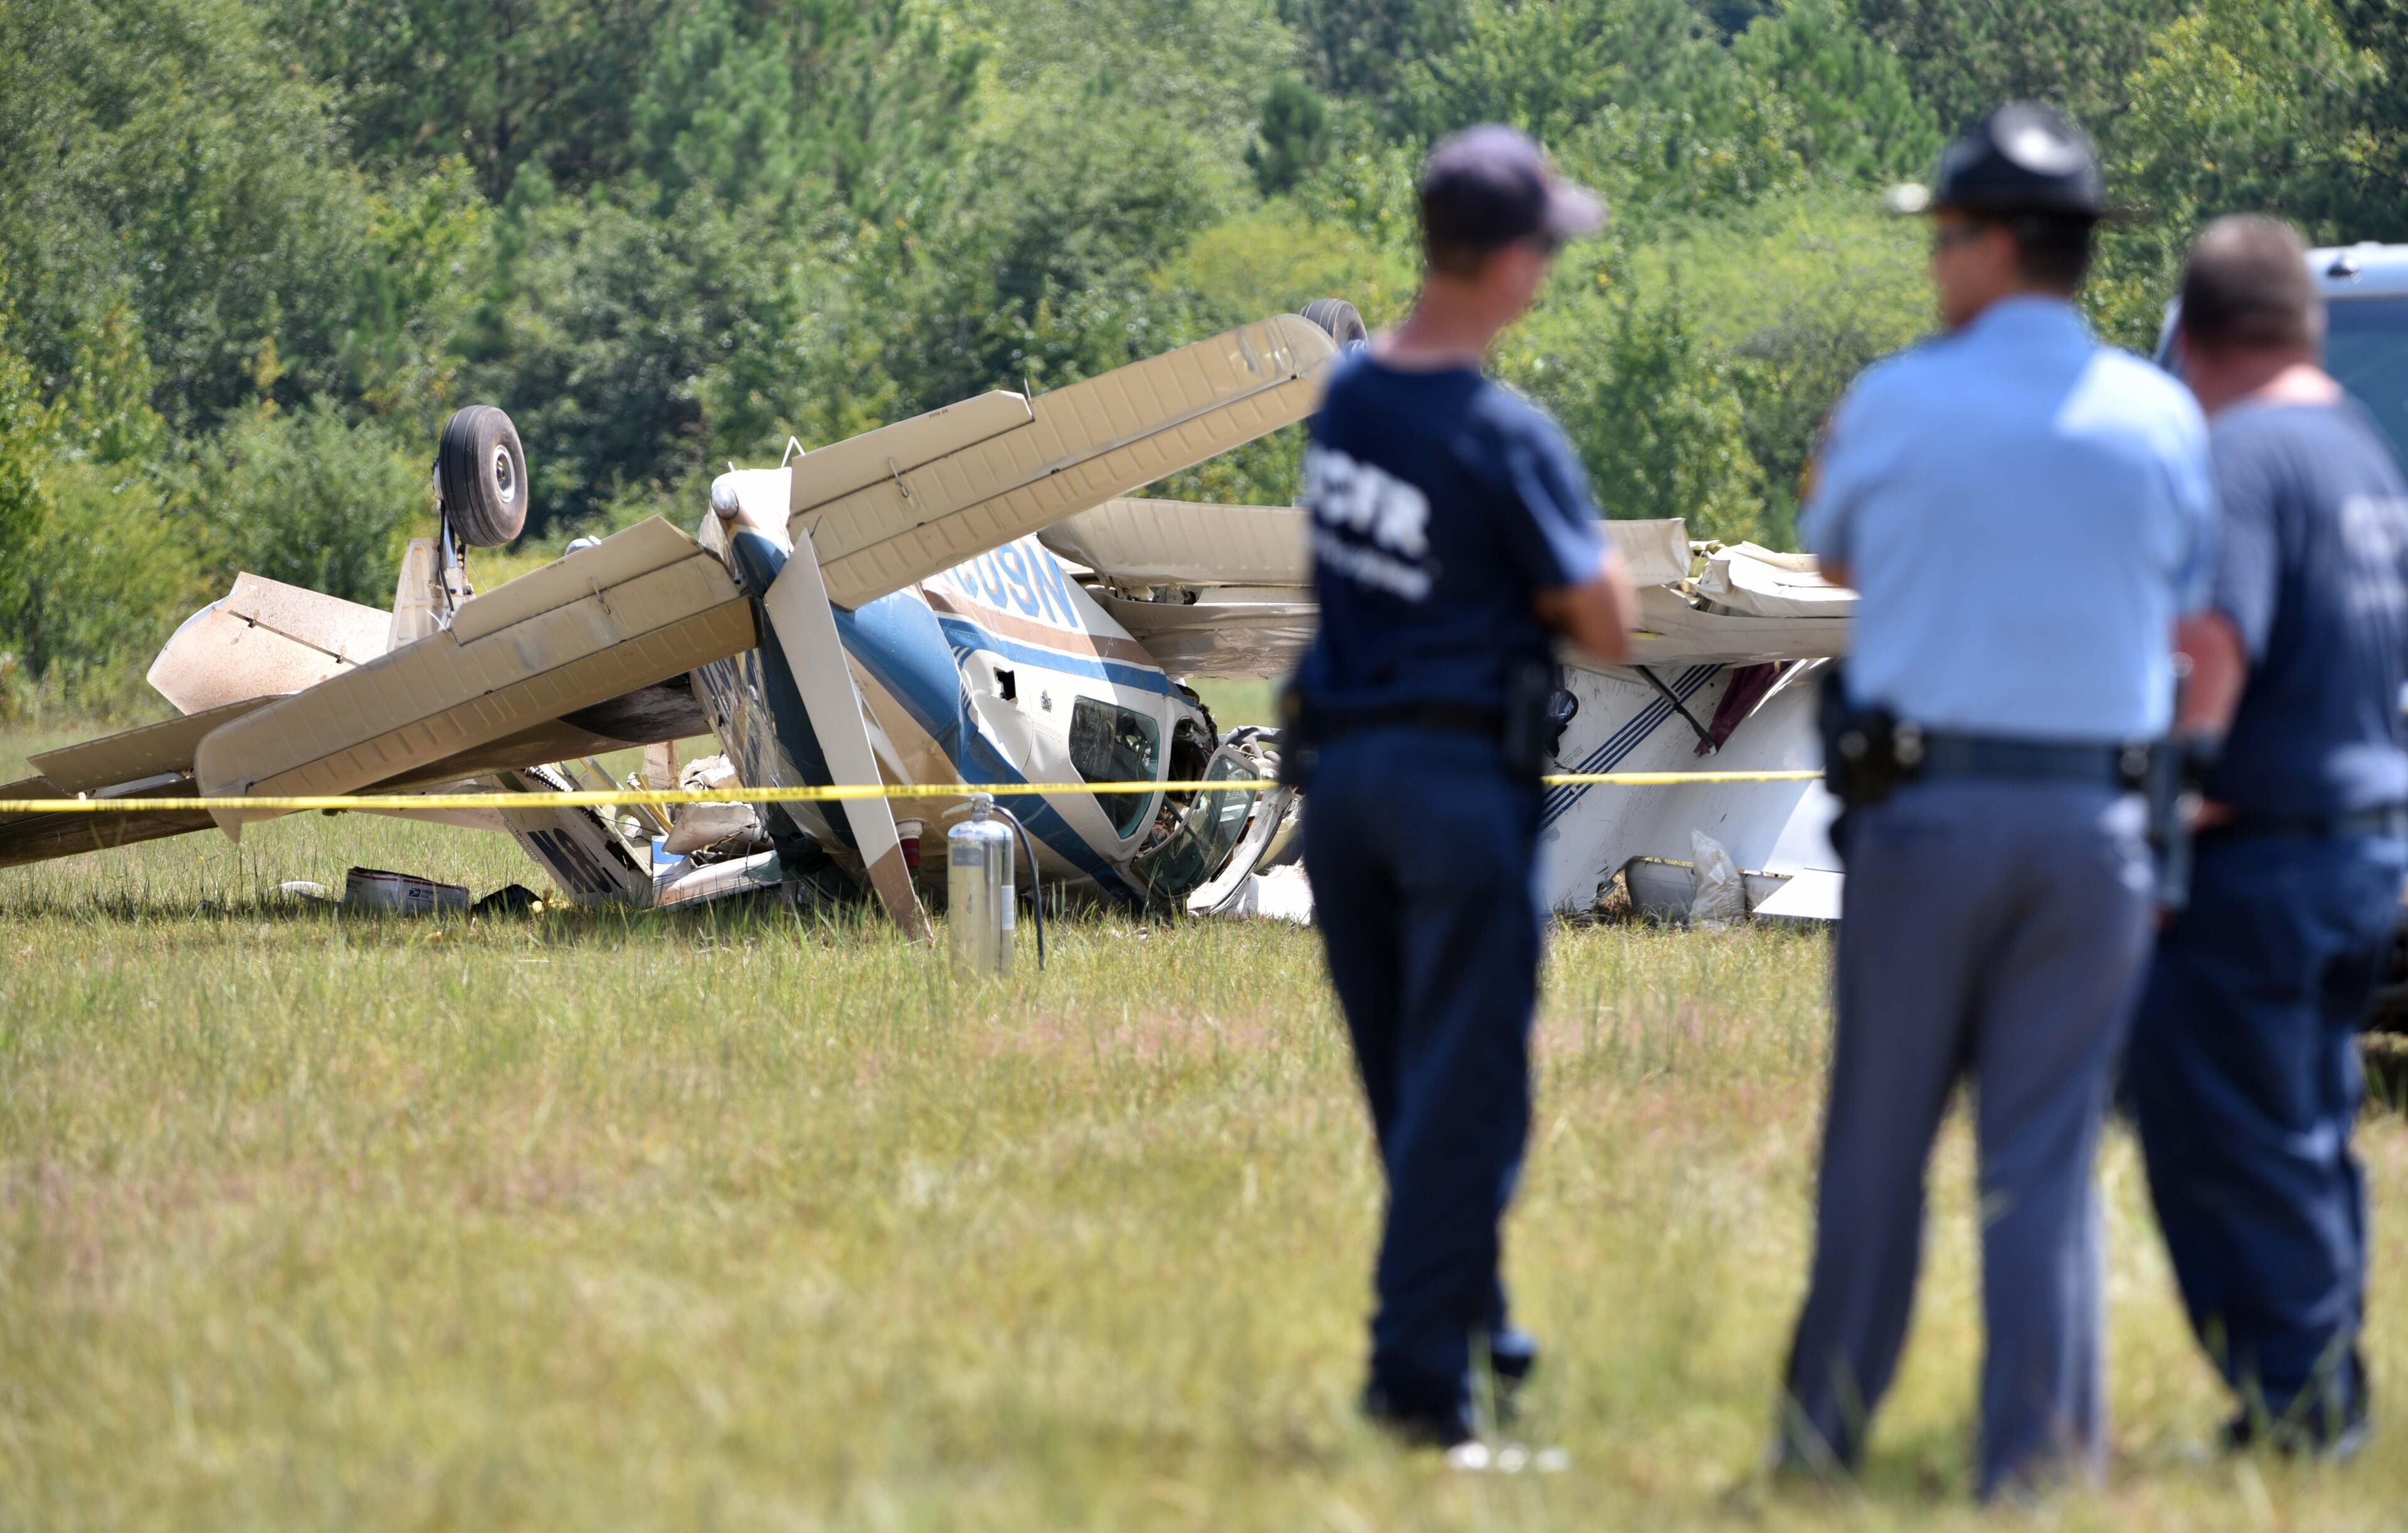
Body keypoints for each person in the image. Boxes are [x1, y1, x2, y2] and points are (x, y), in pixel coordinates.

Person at [1772, 103, 2215, 1499]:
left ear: (1991, 246)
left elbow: (1832, 554)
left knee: (1880, 1141)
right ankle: (2031, 1464)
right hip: (2096, 832)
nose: (1934, 262)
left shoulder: (1897, 399)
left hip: (1928, 815)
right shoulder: (2162, 416)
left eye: (1944, 236)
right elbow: (2186, 598)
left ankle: (1823, 1435)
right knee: (2045, 1155)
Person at [1291, 124, 1637, 1454]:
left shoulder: (1353, 397)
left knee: (1411, 1089)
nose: (1548, 270)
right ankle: (1419, 1391)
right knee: (1469, 1096)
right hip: (1452, 790)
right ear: (1503, 261)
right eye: (1544, 247)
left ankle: (1486, 1341)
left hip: (1344, 786)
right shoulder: (1505, 434)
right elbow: (1603, 622)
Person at [2125, 215, 2408, 1460]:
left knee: (2222, 1137)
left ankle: (2298, 1407)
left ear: (2189, 335)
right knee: (2310, 1124)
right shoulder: (2356, 452)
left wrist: (2172, 810)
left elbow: (2213, 642)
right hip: (2362, 852)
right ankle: (2326, 1382)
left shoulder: (2237, 458)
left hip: (2266, 854)